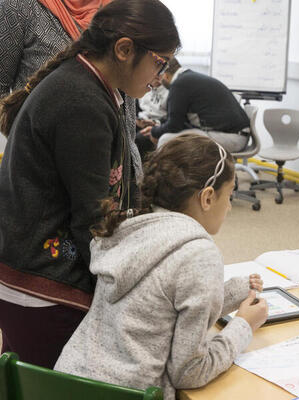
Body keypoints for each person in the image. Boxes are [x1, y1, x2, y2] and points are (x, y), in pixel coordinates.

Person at [0, 0, 180, 368]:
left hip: (39, 270)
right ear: (124, 49)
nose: (160, 76)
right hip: (42, 283)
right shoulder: (81, 100)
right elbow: (93, 222)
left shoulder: (91, 84)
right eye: (158, 63)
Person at [55, 134, 269, 400]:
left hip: (68, 384)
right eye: (229, 195)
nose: (229, 207)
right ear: (207, 197)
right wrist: (244, 326)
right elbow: (189, 372)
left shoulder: (131, 228)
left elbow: (157, 305)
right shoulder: (199, 254)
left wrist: (233, 291)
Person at [0, 0, 144, 185]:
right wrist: (32, 140)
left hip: (120, 173)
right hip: (46, 177)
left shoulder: (125, 9)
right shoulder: (20, 7)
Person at [139, 57, 250, 153]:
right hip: (235, 135)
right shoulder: (188, 79)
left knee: (166, 139)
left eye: (159, 76)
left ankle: (168, 177)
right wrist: (157, 126)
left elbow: (174, 126)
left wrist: (154, 132)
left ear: (165, 75)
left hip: (232, 138)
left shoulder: (180, 84)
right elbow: (182, 121)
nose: (159, 80)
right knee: (171, 136)